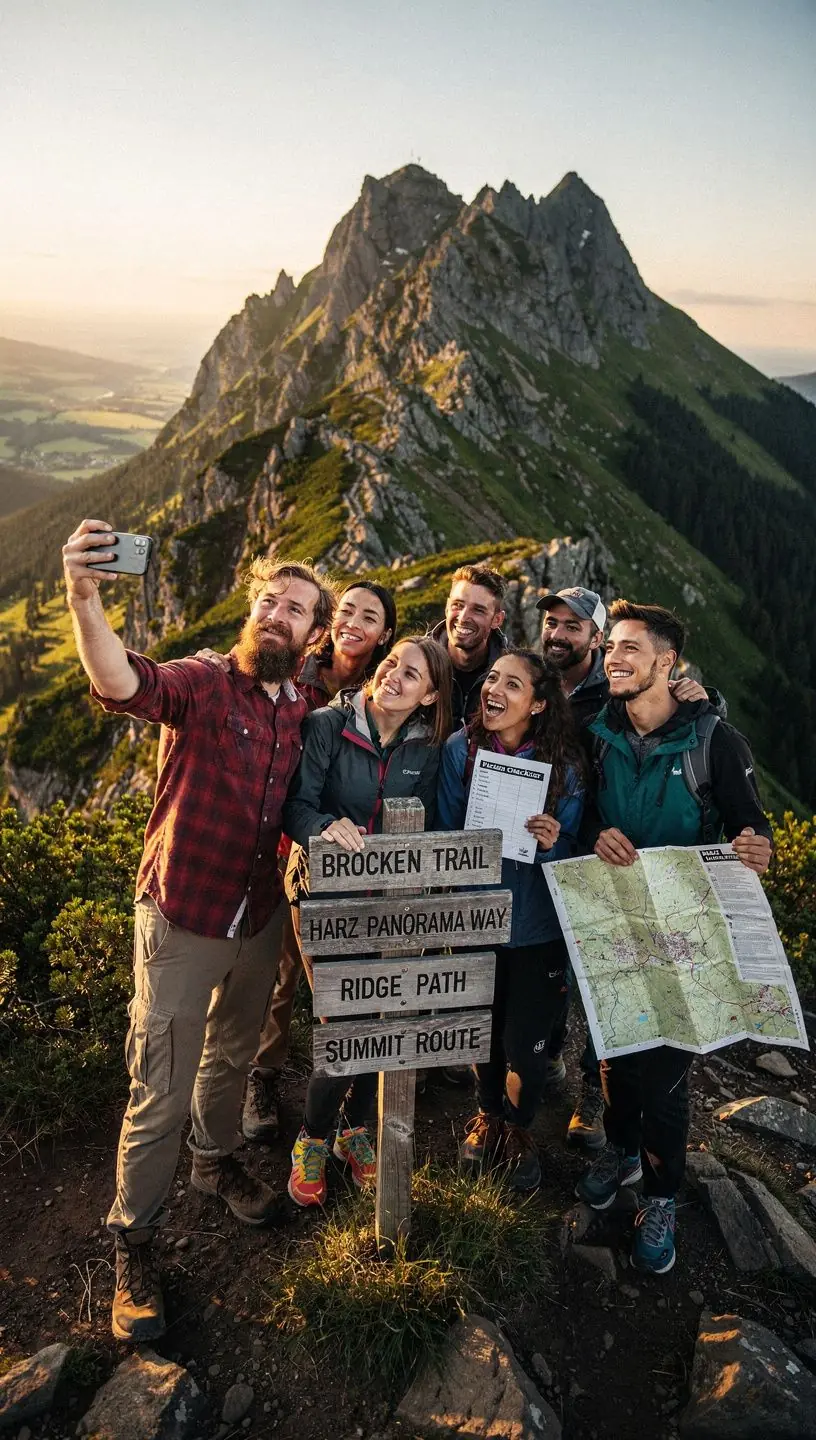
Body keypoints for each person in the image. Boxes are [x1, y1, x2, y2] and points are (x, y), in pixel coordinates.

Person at [62, 517, 336, 1342]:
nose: (274, 613)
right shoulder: (209, 682)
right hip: (182, 913)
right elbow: (126, 684)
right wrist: (83, 596)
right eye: (266, 600)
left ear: (315, 635)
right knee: (160, 1083)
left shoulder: (306, 709)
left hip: (257, 919)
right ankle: (133, 1240)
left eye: (293, 608)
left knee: (231, 1054)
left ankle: (214, 1163)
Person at [575, 600, 772, 1275]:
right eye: (612, 650)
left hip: (686, 928)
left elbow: (753, 826)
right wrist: (588, 835)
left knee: (663, 1075)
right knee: (614, 1051)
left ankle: (660, 1196)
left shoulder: (717, 740)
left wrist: (756, 847)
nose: (617, 659)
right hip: (615, 915)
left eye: (632, 648)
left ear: (669, 662)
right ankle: (621, 1150)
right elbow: (577, 815)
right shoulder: (596, 729)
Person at [538, 586, 722, 1151]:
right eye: (552, 622)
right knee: (558, 972)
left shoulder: (611, 694)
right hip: (555, 848)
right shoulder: (532, 676)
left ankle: (596, 1099)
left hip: (614, 868)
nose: (560, 633)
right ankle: (547, 1062)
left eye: (576, 626)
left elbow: (671, 716)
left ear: (594, 639)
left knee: (608, 986)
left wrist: (702, 698)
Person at [281, 635, 453, 1206]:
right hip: (322, 897)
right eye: (391, 665)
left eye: (412, 675)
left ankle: (354, 1130)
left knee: (381, 1013)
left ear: (429, 697)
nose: (395, 677)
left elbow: (424, 823)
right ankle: (311, 1138)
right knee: (344, 1020)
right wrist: (325, 825)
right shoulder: (328, 725)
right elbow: (296, 805)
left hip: (388, 903)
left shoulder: (425, 751)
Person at [239, 581, 397, 1143]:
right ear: (330, 619)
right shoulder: (298, 670)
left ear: (385, 634)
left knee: (352, 986)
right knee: (281, 976)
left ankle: (354, 1092)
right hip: (288, 849)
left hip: (358, 870)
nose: (355, 623)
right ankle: (263, 1076)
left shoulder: (389, 686)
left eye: (370, 617)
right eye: (347, 610)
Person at [437, 649, 586, 1190]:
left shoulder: (565, 766)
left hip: (539, 929)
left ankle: (520, 1127)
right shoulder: (462, 750)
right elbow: (448, 828)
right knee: (483, 1032)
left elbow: (574, 851)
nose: (494, 689)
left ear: (540, 703)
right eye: (492, 679)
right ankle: (488, 1115)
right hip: (478, 918)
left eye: (513, 684)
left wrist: (551, 844)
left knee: (527, 1042)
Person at [431, 564, 508, 727]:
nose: (463, 617)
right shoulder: (416, 660)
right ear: (446, 607)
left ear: (497, 620)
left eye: (478, 610)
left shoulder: (513, 673)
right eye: (457, 605)